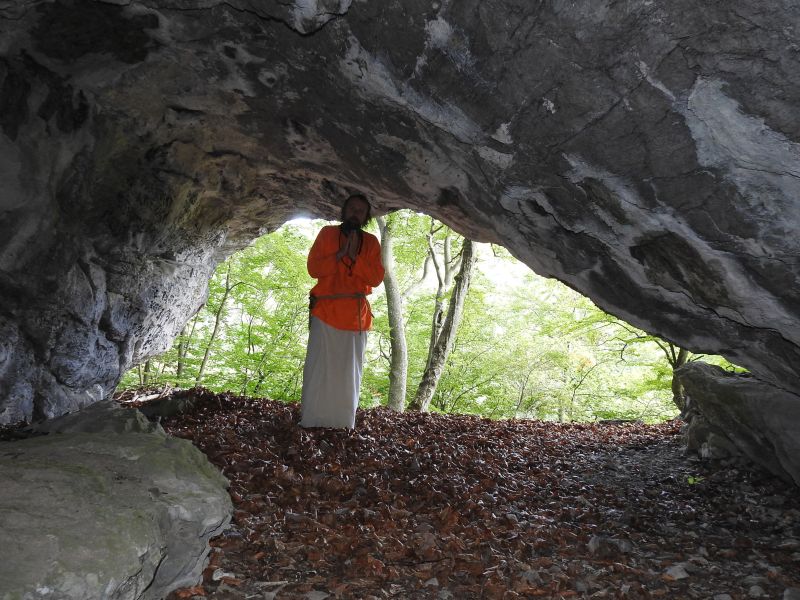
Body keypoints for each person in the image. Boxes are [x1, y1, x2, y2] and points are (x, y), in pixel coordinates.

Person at [300, 194, 385, 428]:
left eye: (361, 210)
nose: (356, 212)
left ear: (366, 217)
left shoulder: (371, 243)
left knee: (348, 372)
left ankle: (342, 423)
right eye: (352, 208)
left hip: (355, 316)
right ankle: (311, 421)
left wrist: (354, 258)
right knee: (318, 367)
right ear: (344, 211)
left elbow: (377, 278)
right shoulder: (327, 234)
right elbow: (313, 268)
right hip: (325, 310)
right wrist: (339, 255)